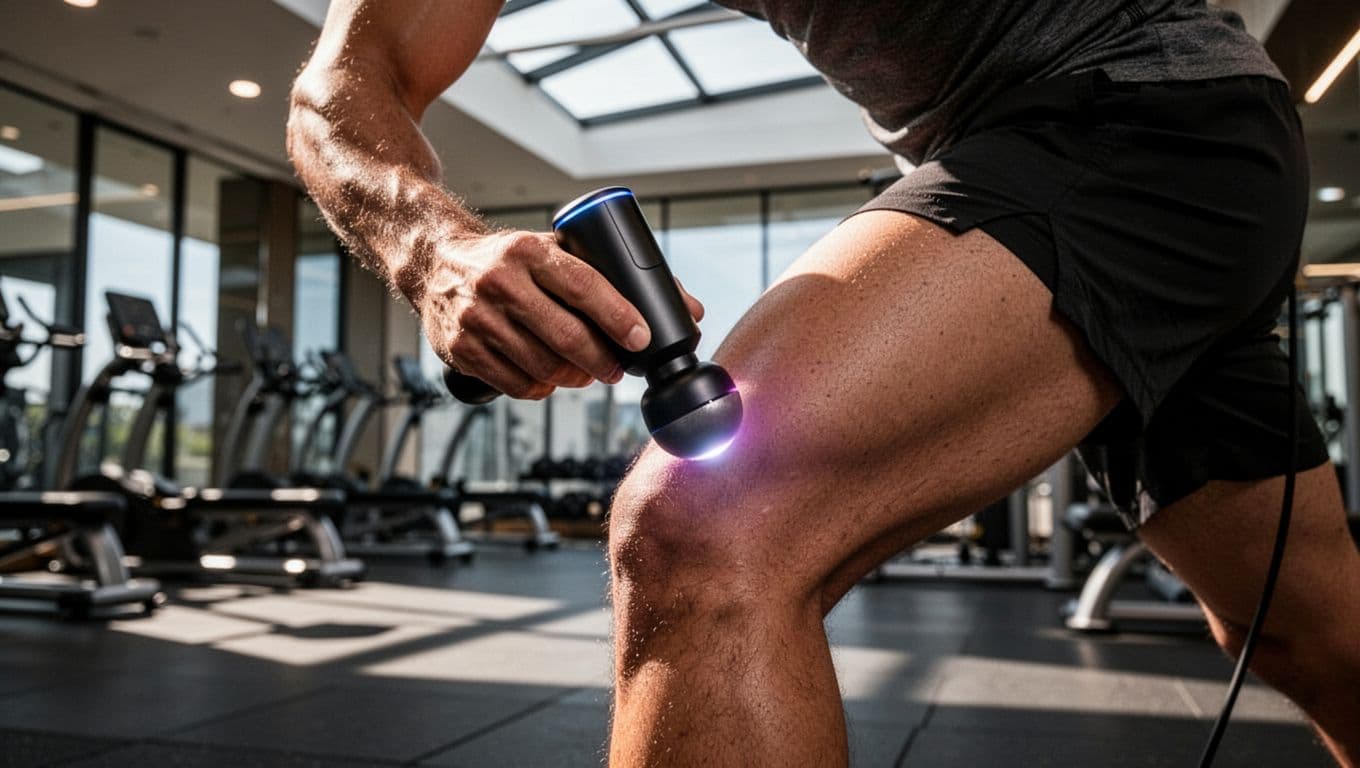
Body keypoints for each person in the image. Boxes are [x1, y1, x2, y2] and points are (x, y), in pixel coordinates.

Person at [288, 2, 1360, 765]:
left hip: (1133, 110)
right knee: (1307, 632)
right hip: (1126, 151)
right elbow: (338, 87)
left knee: (706, 522)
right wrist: (434, 250)